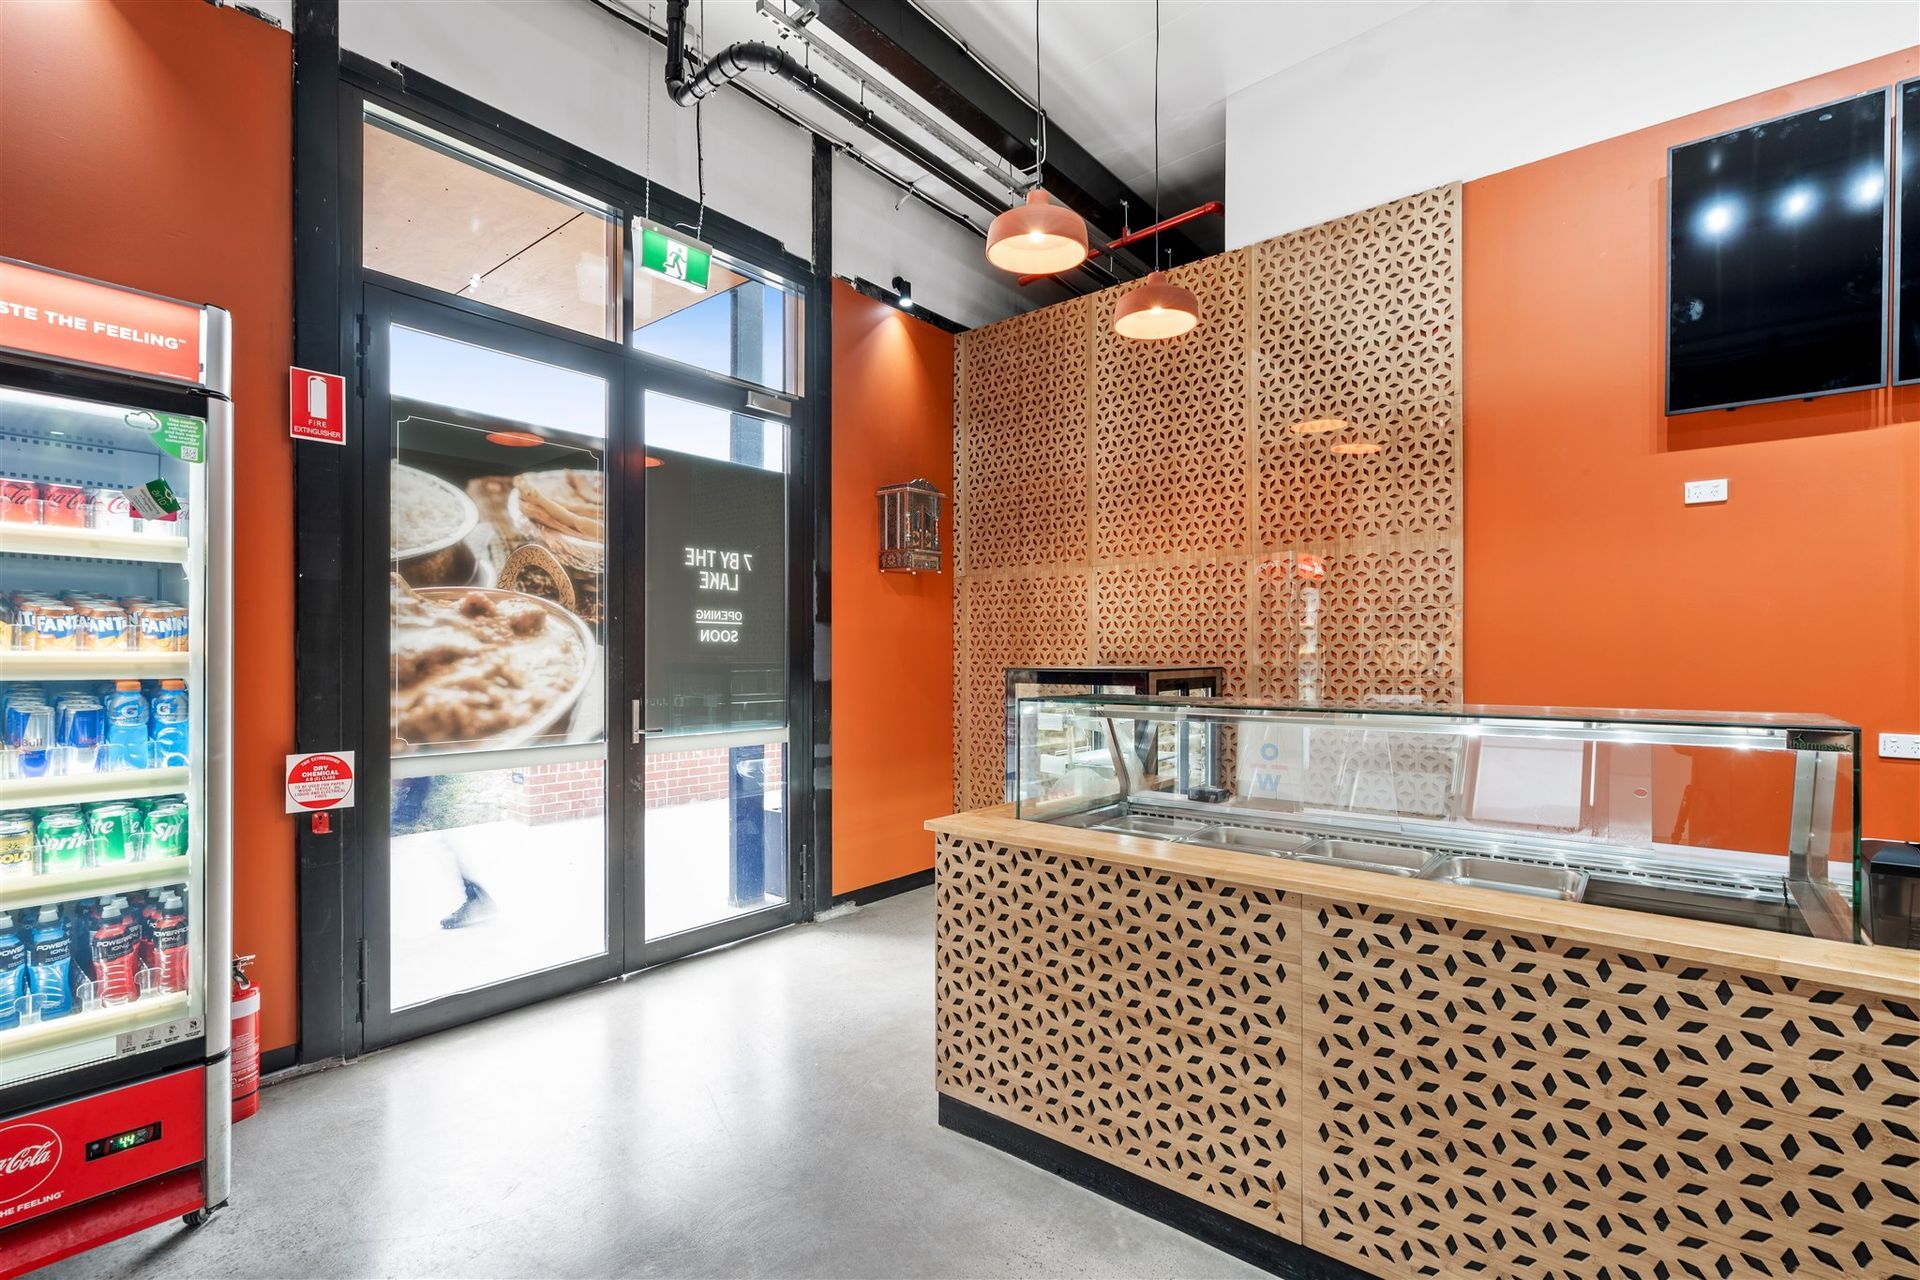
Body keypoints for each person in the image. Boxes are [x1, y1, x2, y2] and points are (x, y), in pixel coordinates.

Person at [391, 775, 495, 929]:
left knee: (390, 828)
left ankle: (474, 895)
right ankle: (474, 895)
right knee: (441, 840)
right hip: (421, 776)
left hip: (423, 775)